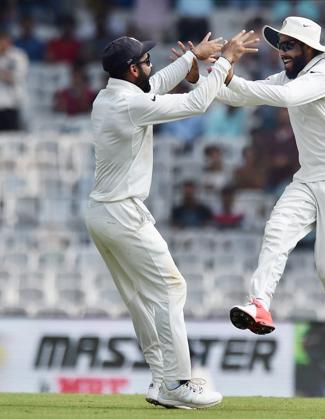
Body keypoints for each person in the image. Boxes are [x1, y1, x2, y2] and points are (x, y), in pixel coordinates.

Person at [84, 31, 258, 409]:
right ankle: (178, 383)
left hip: (101, 212)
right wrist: (225, 60)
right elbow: (196, 103)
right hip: (123, 212)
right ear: (132, 70)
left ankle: (160, 380)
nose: (151, 64)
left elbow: (155, 84)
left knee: (140, 300)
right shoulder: (130, 106)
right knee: (170, 289)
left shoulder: (110, 96)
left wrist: (192, 57)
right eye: (145, 61)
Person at [216, 17, 325, 375]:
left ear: (309, 49)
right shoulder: (289, 77)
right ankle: (259, 304)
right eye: (280, 45)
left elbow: (282, 98)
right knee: (276, 231)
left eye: (289, 45)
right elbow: (241, 95)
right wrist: (204, 79)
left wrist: (227, 75)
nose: (281, 52)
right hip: (308, 180)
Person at [0, 31, 28, 131]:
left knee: (11, 138)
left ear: (8, 41)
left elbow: (19, 76)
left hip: (12, 103)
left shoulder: (18, 56)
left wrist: (4, 75)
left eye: (3, 41)